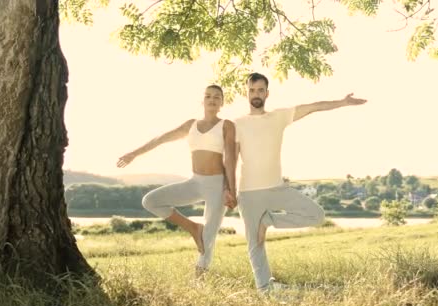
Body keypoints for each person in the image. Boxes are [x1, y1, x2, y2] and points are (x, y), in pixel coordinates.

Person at [234, 73, 367, 291]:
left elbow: (313, 106)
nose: (255, 94)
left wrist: (343, 102)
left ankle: (268, 221)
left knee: (316, 215)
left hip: (276, 187)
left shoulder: (278, 116)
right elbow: (228, 158)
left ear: (267, 93)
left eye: (260, 90)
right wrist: (227, 189)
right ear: (246, 92)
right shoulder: (237, 124)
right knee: (255, 244)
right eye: (251, 90)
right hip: (248, 192)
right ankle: (265, 288)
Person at [117, 84, 237, 274]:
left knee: (209, 238)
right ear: (202, 101)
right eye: (208, 96)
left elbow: (230, 158)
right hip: (195, 182)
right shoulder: (191, 125)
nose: (212, 99)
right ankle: (193, 228)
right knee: (150, 201)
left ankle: (199, 282)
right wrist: (134, 154)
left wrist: (231, 189)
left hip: (217, 184)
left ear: (222, 102)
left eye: (217, 97)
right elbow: (161, 139)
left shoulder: (227, 125)